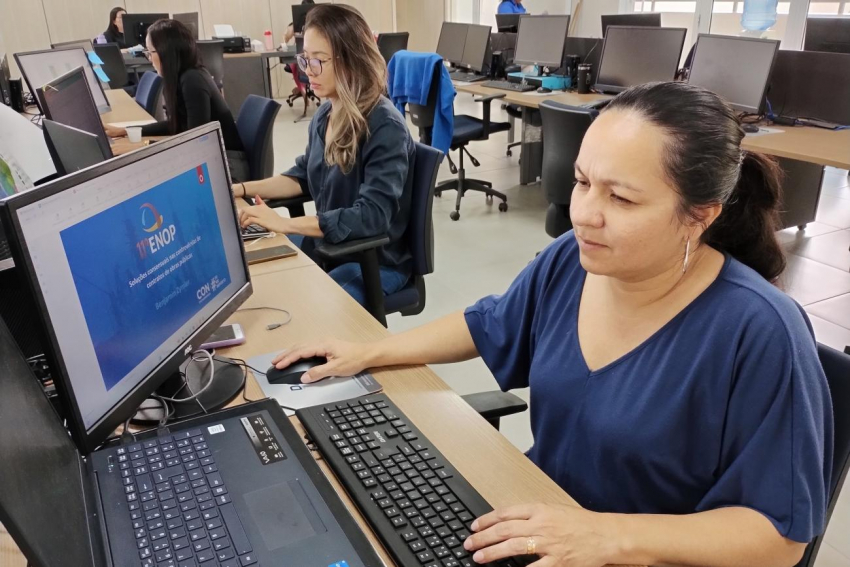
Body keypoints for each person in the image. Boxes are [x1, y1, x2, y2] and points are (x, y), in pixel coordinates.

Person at [269, 82, 832, 567]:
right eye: (583, 182)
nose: (584, 212)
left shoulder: (761, 332)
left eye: (622, 198)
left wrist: (607, 535)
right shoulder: (574, 259)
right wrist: (372, 351)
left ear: (700, 215)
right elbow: (488, 322)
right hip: (543, 522)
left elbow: (779, 539)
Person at [236, 4, 414, 307]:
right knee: (254, 273)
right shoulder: (326, 114)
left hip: (373, 262)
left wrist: (287, 224)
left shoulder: (384, 126)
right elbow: (303, 176)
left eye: (318, 61)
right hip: (331, 248)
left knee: (304, 309)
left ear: (351, 61)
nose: (307, 72)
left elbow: (371, 218)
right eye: (305, 59)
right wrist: (239, 189)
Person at [103, 20, 249, 182]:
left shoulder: (193, 79)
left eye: (150, 52)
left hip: (228, 164)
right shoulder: (181, 77)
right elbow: (176, 124)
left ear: (166, 52)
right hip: (211, 156)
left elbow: (195, 141)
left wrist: (143, 147)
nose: (149, 59)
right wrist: (126, 131)